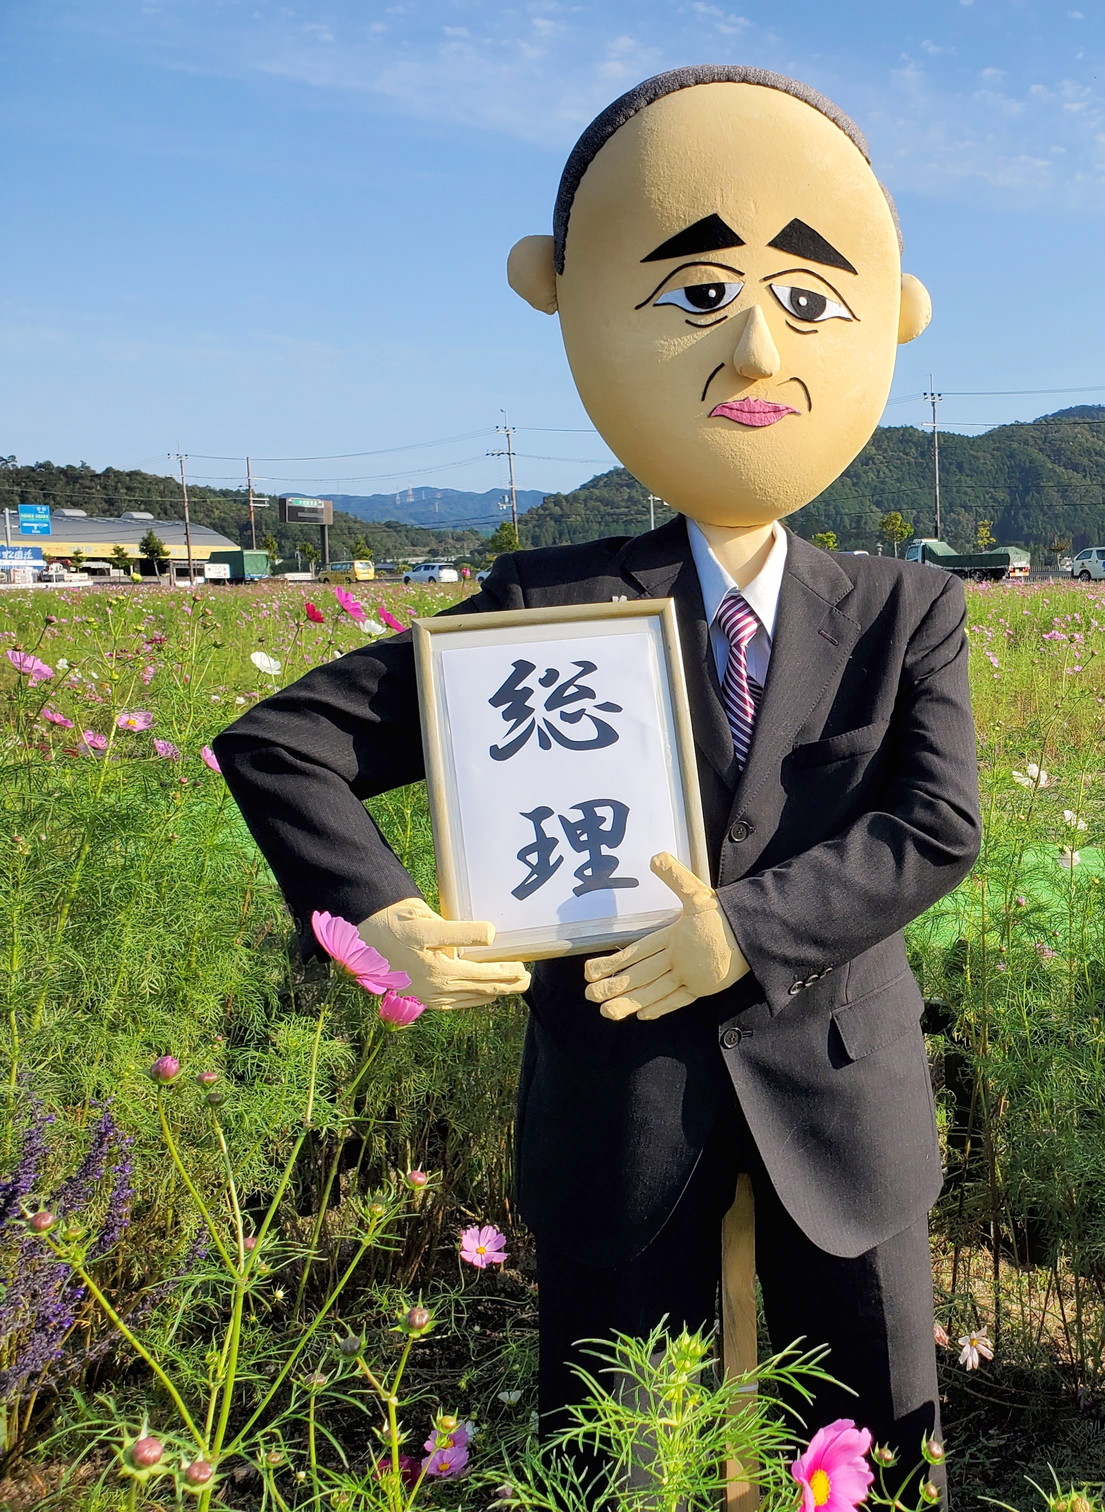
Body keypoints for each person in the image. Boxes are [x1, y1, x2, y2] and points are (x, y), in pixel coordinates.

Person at [213, 66, 972, 1498]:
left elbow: (934, 827)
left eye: (808, 301)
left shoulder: (903, 606)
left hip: (840, 1096)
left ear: (885, 320)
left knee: (877, 1446)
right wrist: (375, 915)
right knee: (619, 1461)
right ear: (566, 299)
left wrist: (740, 928)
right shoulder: (551, 605)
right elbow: (281, 742)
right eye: (698, 296)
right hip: (625, 1112)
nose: (754, 343)